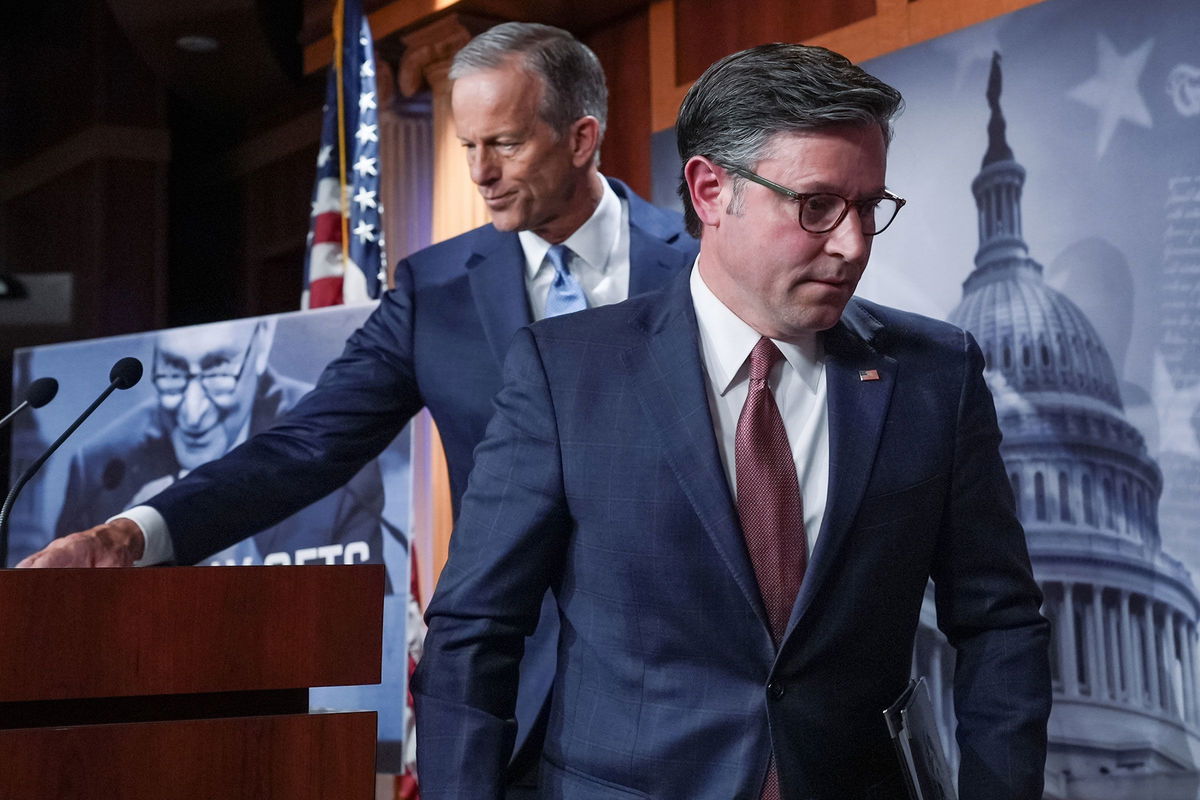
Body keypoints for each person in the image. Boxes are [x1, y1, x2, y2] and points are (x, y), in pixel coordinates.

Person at [17, 21, 699, 794]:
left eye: (504, 144)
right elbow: (306, 446)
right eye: (468, 145)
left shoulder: (698, 267)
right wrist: (125, 539)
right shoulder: (435, 292)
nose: (480, 172)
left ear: (582, 138)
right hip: (494, 703)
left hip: (673, 697)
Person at [412, 43, 1051, 800]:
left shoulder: (935, 375)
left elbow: (1001, 624)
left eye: (869, 207)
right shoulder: (565, 375)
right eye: (816, 206)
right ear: (712, 191)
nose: (851, 245)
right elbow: (474, 635)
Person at [51, 320, 384, 568]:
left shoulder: (333, 448)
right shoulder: (102, 464)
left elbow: (369, 617)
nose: (193, 413)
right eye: (173, 373)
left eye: (218, 371)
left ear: (262, 343)